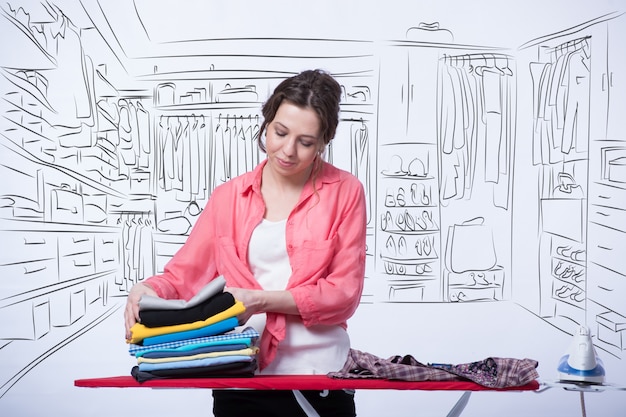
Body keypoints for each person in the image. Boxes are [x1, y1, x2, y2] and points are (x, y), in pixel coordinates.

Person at [124, 69, 367, 416]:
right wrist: (145, 289)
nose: (288, 150)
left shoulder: (345, 192)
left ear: (324, 142)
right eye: (280, 132)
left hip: (319, 378)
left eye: (306, 142)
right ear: (266, 123)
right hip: (240, 375)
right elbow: (183, 277)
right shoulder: (228, 198)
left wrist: (259, 300)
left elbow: (343, 294)